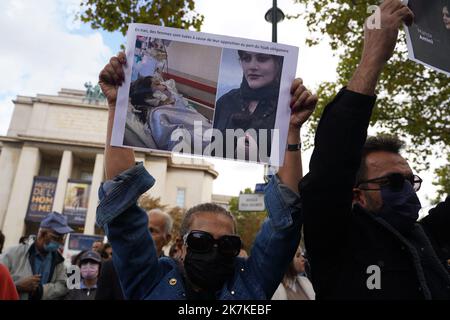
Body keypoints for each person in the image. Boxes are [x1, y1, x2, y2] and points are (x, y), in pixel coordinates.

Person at [97, 51, 317, 299]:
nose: (215, 251)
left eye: (227, 245)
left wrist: (291, 130)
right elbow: (122, 206)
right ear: (181, 246)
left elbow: (284, 221)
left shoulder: (252, 283)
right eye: (201, 241)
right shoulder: (149, 282)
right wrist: (117, 106)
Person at [299, 0, 450, 300]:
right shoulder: (338, 242)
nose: (407, 190)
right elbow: (334, 160)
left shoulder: (427, 238)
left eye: (410, 181)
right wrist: (373, 57)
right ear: (357, 195)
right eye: (393, 182)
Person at [213, 51, 283, 160]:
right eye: (246, 58)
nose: (252, 66)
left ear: (278, 63)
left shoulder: (287, 109)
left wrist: (258, 160)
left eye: (262, 58)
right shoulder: (226, 101)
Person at [0, 212, 73, 300]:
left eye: (62, 238)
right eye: (56, 237)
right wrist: (17, 286)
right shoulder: (12, 254)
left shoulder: (59, 260)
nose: (61, 242)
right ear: (42, 234)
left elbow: (63, 286)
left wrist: (41, 291)